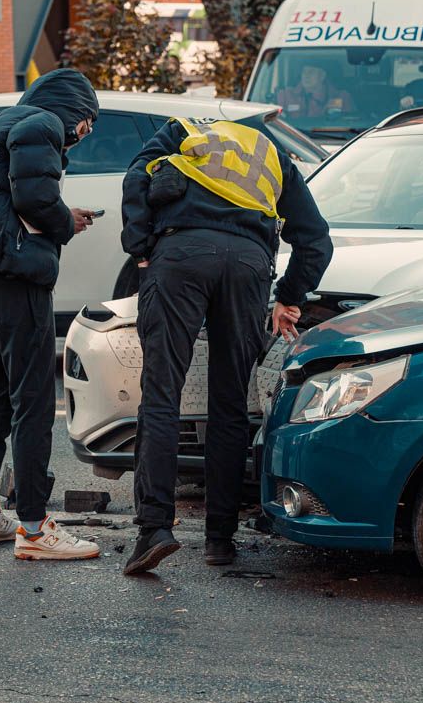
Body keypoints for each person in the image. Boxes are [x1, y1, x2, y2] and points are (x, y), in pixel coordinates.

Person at [120, 117, 333, 575]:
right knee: (230, 403)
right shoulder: (273, 155)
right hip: (248, 264)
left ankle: (154, 530)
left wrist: (139, 246)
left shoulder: (182, 131)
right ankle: (220, 540)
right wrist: (290, 298)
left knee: (161, 398)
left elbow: (136, 175)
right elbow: (316, 239)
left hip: (181, 256)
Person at [0, 68, 102, 561]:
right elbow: (35, 197)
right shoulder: (42, 125)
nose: (82, 135)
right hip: (18, 282)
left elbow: (2, 197)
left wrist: (56, 216)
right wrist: (66, 222)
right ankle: (36, 529)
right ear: (73, 109)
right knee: (34, 403)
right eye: (86, 123)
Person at [277, 63, 354, 120]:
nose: (306, 75)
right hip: (290, 138)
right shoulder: (285, 95)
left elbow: (351, 121)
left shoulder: (341, 96)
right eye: (304, 72)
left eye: (311, 72)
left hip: (332, 138)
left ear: (322, 76)